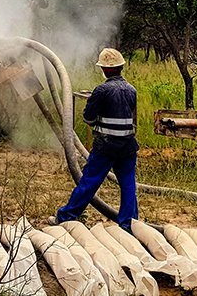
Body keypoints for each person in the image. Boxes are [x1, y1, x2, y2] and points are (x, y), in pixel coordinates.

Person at [53, 48, 138, 230]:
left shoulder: (101, 90)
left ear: (104, 70)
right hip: (128, 146)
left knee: (90, 182)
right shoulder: (132, 90)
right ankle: (129, 224)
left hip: (106, 146)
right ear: (121, 67)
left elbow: (88, 118)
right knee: (128, 184)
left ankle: (67, 215)